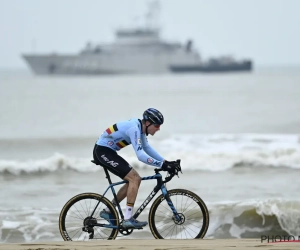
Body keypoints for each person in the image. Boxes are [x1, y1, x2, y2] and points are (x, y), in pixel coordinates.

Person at [93, 108, 179, 229]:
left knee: (132, 180)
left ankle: (108, 210)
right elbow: (141, 156)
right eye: (157, 125)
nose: (159, 128)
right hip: (102, 152)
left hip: (109, 151)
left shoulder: (140, 128)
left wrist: (166, 162)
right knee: (135, 178)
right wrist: (162, 165)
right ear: (148, 123)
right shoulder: (134, 129)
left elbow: (147, 148)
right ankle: (127, 219)